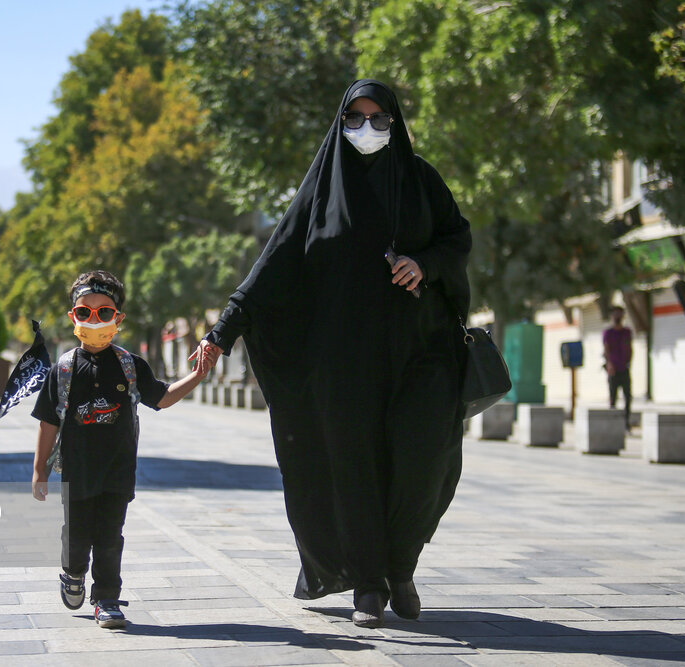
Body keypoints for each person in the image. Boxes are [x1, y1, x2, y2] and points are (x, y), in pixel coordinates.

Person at [191, 79, 472, 626]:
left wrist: (425, 264)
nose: (367, 130)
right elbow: (272, 266)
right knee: (355, 470)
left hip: (422, 354)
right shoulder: (319, 193)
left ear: (396, 122)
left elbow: (457, 238)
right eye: (355, 118)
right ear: (340, 123)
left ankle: (402, 565)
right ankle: (369, 585)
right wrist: (221, 331)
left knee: (422, 463)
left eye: (379, 119)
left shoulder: (420, 180)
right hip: (345, 365)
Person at [31, 270, 219, 629]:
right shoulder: (64, 370)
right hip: (77, 472)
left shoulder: (130, 366)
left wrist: (197, 376)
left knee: (109, 537)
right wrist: (39, 470)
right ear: (73, 317)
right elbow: (47, 423)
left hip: (118, 472)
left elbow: (161, 398)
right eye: (85, 312)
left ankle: (107, 598)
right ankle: (72, 573)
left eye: (104, 313)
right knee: (76, 534)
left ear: (118, 318)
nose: (94, 320)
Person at [603, 305, 633, 430]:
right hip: (613, 369)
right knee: (613, 397)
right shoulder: (608, 333)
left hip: (624, 368)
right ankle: (612, 423)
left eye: (619, 314)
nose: (617, 317)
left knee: (628, 396)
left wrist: (629, 362)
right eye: (615, 314)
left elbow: (630, 348)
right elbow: (606, 349)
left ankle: (626, 423)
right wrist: (609, 364)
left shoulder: (627, 332)